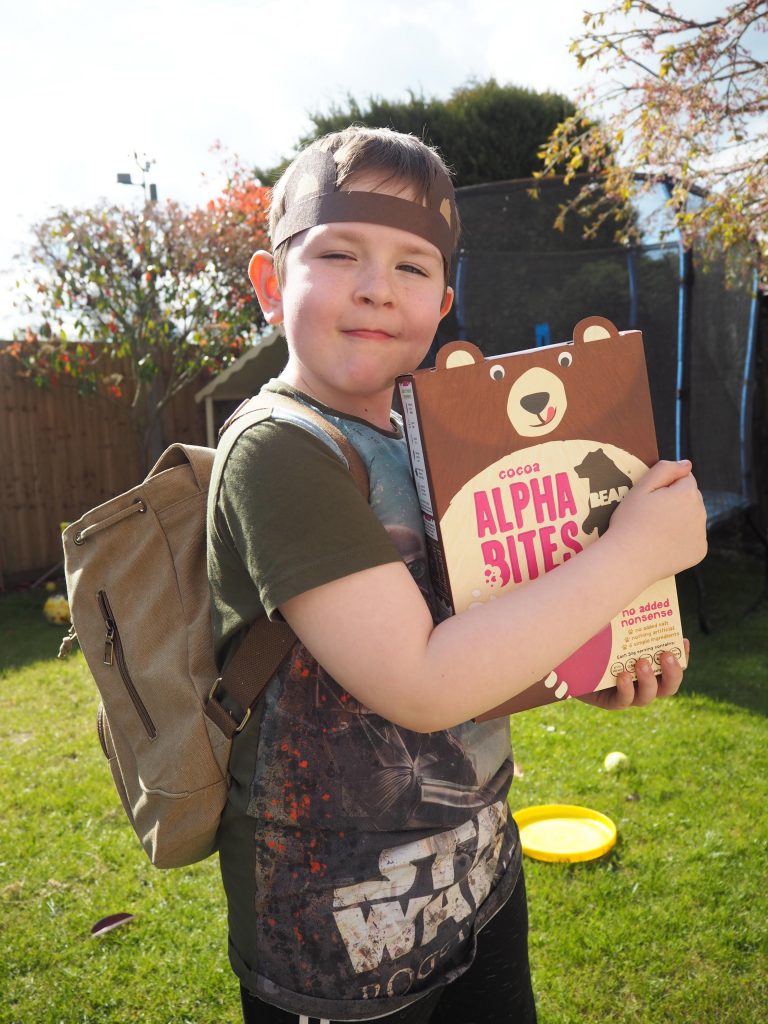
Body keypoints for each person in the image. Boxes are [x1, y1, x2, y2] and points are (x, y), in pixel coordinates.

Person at [206, 126, 707, 1024]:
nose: (375, 286)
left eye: (412, 266)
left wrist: (576, 668)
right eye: (339, 252)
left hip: (479, 874)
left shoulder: (430, 433)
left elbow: (472, 628)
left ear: (443, 302)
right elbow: (426, 681)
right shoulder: (280, 449)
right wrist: (634, 552)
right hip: (340, 929)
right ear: (270, 283)